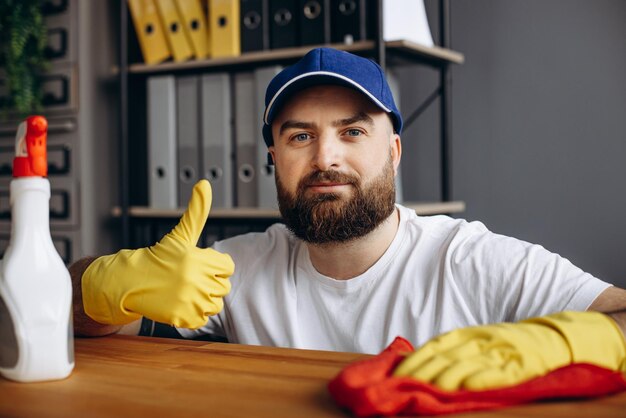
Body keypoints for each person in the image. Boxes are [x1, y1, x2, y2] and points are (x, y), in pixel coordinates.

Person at [71, 48, 626, 390]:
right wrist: (104, 284)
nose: (325, 158)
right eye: (300, 136)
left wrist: (561, 342)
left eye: (352, 131)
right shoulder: (234, 268)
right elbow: (63, 312)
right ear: (273, 159)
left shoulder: (471, 260)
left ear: (395, 152)